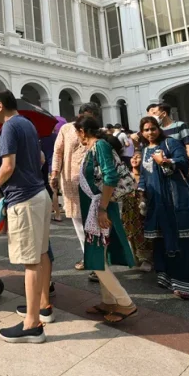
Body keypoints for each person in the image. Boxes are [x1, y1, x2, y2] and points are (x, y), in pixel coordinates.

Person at [0, 89, 52, 343]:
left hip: (24, 199)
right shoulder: (27, 123)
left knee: (30, 261)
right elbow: (40, 158)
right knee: (42, 252)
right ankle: (42, 307)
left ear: (0, 106)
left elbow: (8, 165)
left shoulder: (8, 128)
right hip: (40, 194)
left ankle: (32, 324)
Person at [138, 116, 189, 299]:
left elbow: (183, 161)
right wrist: (141, 190)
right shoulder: (144, 150)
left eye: (153, 128)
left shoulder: (170, 143)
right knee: (161, 240)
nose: (150, 133)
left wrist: (164, 161)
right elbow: (145, 174)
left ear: (158, 128)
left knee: (185, 239)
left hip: (175, 199)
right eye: (146, 130)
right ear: (142, 132)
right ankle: (169, 277)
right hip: (156, 203)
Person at [70, 116, 139, 322]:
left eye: (77, 133)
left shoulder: (99, 146)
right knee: (97, 256)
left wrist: (102, 209)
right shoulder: (93, 149)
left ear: (82, 131)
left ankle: (125, 302)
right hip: (94, 208)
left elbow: (110, 176)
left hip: (99, 208)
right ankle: (108, 301)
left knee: (95, 259)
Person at [51, 102, 100, 276]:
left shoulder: (97, 132)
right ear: (79, 115)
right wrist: (55, 174)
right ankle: (90, 257)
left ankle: (97, 259)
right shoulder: (66, 129)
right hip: (71, 182)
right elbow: (57, 152)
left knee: (93, 221)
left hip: (93, 182)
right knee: (79, 221)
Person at [124, 151, 152, 268]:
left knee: (144, 233)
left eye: (138, 157)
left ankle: (147, 259)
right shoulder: (126, 175)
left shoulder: (147, 176)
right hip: (129, 210)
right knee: (131, 233)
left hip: (144, 210)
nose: (134, 159)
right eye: (133, 157)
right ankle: (136, 257)